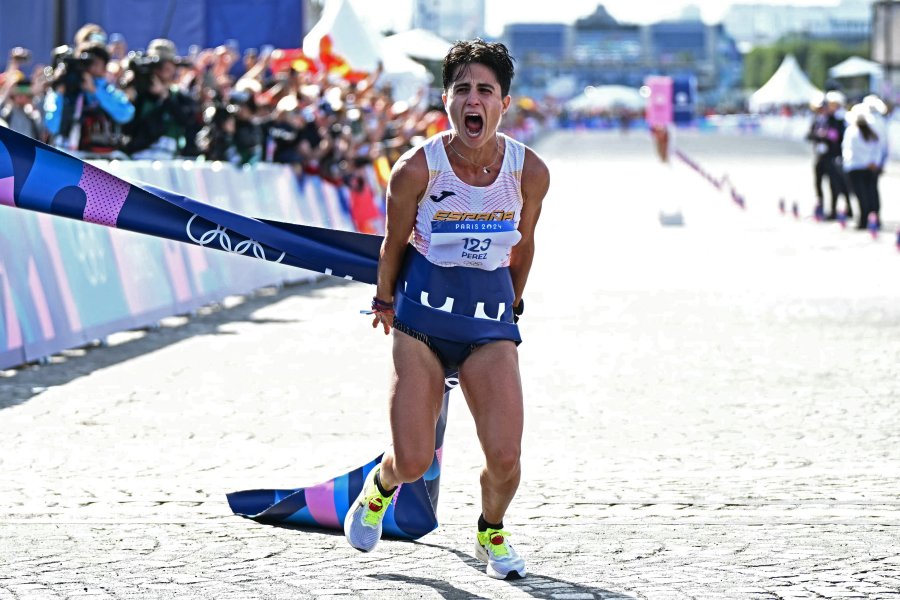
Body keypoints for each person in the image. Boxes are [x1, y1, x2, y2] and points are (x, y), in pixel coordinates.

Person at [343, 39, 550, 581]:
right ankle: (379, 489)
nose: (473, 100)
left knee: (505, 457)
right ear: (446, 99)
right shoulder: (417, 169)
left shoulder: (529, 172)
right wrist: (384, 301)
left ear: (505, 102)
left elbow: (523, 246)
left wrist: (515, 303)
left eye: (485, 90)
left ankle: (491, 530)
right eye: (463, 90)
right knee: (412, 461)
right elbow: (392, 244)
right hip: (422, 326)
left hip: (487, 327)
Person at [43, 41, 135, 154]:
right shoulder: (66, 90)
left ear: (105, 67)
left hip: (105, 157)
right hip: (73, 156)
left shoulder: (107, 90)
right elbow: (53, 126)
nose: (90, 68)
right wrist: (60, 94)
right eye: (86, 63)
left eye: (96, 63)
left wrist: (96, 91)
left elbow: (126, 114)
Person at [842, 103, 882, 230]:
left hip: (857, 167)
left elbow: (851, 150)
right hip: (868, 167)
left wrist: (870, 162)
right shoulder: (868, 131)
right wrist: (873, 162)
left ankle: (866, 219)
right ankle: (872, 218)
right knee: (870, 193)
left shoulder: (853, 131)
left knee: (863, 195)